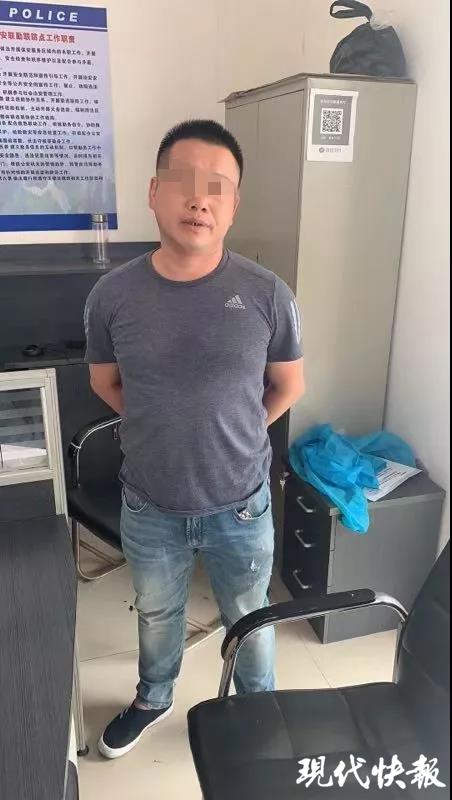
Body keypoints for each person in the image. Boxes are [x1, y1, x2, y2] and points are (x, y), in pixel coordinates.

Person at [84, 119, 305, 759]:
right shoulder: (112, 295)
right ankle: (154, 697)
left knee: (251, 615)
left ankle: (258, 710)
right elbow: (104, 381)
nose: (199, 200)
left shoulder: (267, 294)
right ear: (155, 192)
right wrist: (165, 423)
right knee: (158, 614)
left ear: (233, 206)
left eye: (218, 188)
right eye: (183, 182)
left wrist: (236, 430)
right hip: (150, 502)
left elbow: (288, 385)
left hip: (241, 504)